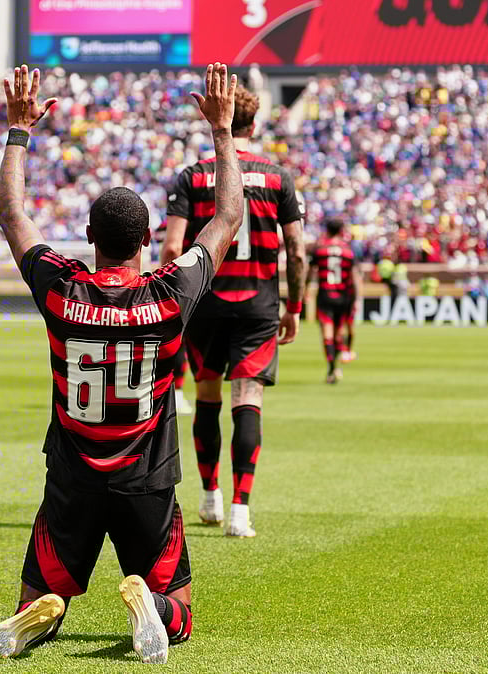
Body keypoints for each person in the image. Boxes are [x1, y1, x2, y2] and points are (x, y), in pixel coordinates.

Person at [0, 63, 247, 664]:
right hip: (147, 478)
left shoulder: (61, 291)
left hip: (72, 475)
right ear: (148, 238)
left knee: (39, 599)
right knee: (178, 616)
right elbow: (227, 218)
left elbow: (13, 216)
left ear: (87, 235)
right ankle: (148, 603)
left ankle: (37, 615)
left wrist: (18, 131)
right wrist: (223, 133)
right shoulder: (170, 296)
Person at [161, 75, 306, 537]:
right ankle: (241, 509)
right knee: (248, 399)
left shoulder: (193, 175)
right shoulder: (279, 177)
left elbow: (171, 248)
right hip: (259, 304)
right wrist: (295, 306)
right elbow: (298, 250)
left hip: (205, 302)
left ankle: (209, 497)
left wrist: (177, 299)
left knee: (206, 395)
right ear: (256, 123)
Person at [309, 219, 360, 384]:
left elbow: (309, 272)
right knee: (339, 334)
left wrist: (304, 289)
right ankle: (336, 365)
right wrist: (357, 299)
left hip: (325, 296)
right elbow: (355, 277)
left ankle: (332, 368)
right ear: (341, 230)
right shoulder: (347, 251)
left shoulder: (320, 249)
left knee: (327, 334)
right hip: (343, 297)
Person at [152, 220, 193, 415]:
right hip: (185, 285)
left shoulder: (170, 223)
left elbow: (169, 248)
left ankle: (172, 390)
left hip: (173, 284)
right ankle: (175, 391)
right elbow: (170, 249)